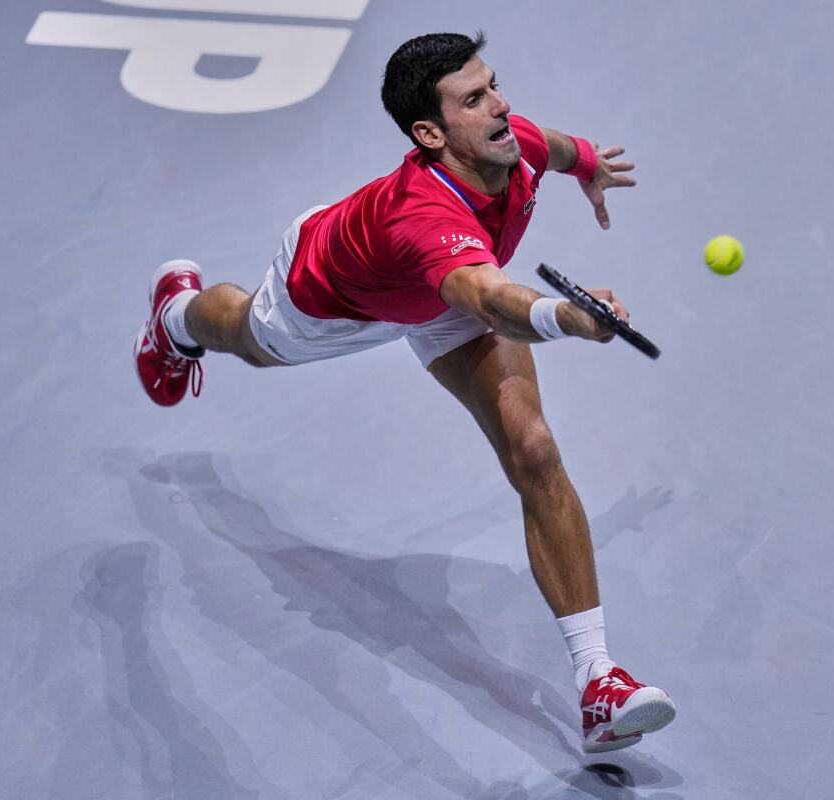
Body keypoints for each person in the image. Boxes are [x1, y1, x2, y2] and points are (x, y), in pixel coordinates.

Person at [134, 31, 675, 753]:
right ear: (429, 131)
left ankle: (599, 683)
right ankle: (175, 315)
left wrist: (588, 164)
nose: (500, 107)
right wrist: (564, 316)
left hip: (452, 296)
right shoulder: (422, 216)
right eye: (474, 99)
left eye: (494, 85)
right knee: (246, 341)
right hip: (338, 299)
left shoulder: (510, 144)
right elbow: (483, 297)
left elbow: (548, 143)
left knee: (535, 449)